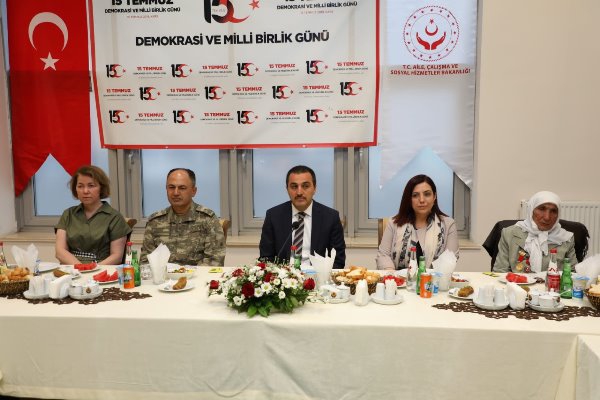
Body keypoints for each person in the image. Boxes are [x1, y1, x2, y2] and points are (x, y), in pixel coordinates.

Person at [259, 165, 346, 268]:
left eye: (305, 186)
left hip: (318, 275)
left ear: (314, 188)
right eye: (294, 187)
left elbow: (338, 261)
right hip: (284, 275)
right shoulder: (273, 216)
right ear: (287, 189)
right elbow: (266, 258)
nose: (299, 192)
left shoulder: (330, 217)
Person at [140, 168, 225, 266]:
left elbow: (214, 261)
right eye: (171, 187)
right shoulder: (155, 221)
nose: (176, 193)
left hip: (197, 275)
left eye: (182, 188)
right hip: (163, 275)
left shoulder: (208, 219)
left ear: (193, 191)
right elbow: (145, 262)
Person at [376, 174, 458, 270]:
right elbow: (383, 255)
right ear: (409, 199)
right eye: (415, 195)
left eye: (427, 194)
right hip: (399, 278)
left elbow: (450, 259)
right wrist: (392, 274)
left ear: (434, 196)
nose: (421, 200)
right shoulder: (394, 223)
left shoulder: (448, 224)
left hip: (436, 279)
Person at [55, 165, 131, 265]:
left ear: (101, 188)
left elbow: (117, 257)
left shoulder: (115, 217)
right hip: (71, 269)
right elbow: (60, 252)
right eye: (80, 186)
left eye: (91, 186)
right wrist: (80, 268)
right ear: (75, 189)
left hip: (102, 269)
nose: (85, 191)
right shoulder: (68, 214)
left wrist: (93, 270)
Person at [493, 191, 576, 273]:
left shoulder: (566, 239)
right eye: (542, 209)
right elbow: (500, 272)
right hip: (515, 282)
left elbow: (573, 274)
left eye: (553, 211)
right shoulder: (509, 234)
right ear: (531, 210)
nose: (547, 217)